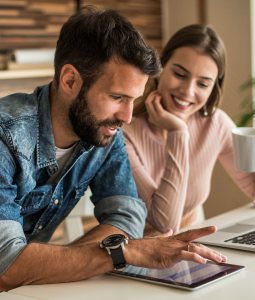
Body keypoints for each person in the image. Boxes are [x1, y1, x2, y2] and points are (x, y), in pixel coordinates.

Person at [0, 7, 228, 292]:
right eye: (117, 97)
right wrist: (121, 252)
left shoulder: (103, 131)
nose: (128, 116)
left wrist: (56, 265)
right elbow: (5, 265)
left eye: (133, 99)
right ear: (70, 80)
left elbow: (127, 218)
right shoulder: (5, 136)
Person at [122, 24, 255, 236]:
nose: (187, 91)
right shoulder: (125, 133)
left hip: (194, 246)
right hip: (138, 254)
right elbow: (165, 225)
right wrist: (178, 132)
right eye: (180, 74)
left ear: (213, 89)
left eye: (203, 84)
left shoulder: (214, 124)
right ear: (160, 68)